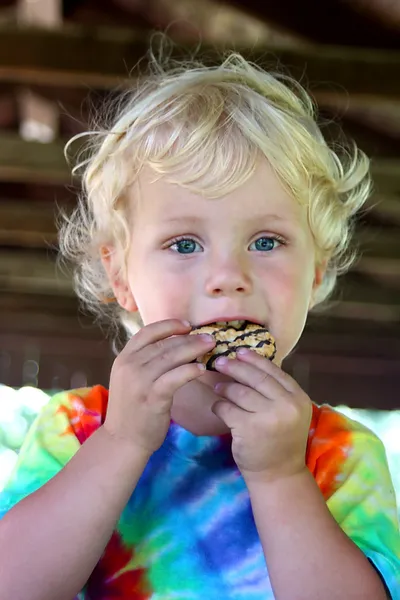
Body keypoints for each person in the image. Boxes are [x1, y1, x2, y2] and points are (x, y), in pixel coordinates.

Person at [0, 36, 399, 600]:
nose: (227, 274)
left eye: (267, 240)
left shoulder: (337, 452)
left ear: (316, 270)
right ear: (120, 275)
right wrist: (120, 442)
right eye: (185, 244)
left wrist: (280, 476)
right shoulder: (77, 429)